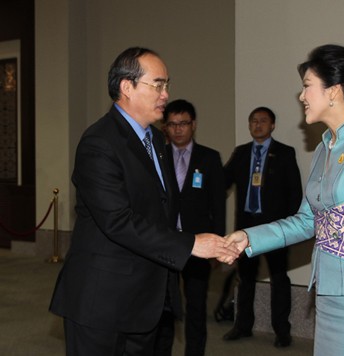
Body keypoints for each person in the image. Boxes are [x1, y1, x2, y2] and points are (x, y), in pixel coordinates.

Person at [224, 44, 344, 355]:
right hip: (327, 296)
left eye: (307, 86)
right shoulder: (325, 148)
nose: (301, 97)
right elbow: (307, 220)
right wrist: (247, 238)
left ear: (333, 91)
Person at [48, 47, 237, 356]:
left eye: (167, 85)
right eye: (158, 84)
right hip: (103, 304)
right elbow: (118, 221)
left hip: (147, 300)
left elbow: (161, 210)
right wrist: (190, 244)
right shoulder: (100, 142)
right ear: (127, 87)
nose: (166, 94)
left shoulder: (156, 142)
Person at [222, 106, 303, 348]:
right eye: (254, 121)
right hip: (246, 227)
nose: (258, 125)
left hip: (275, 228)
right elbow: (222, 182)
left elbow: (295, 191)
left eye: (263, 121)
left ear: (273, 125)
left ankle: (282, 330)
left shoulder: (284, 153)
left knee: (279, 278)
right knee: (245, 278)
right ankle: (242, 325)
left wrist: (288, 226)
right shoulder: (242, 152)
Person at [155, 99, 226, 356]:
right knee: (163, 309)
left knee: (196, 307)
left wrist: (218, 245)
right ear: (165, 127)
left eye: (183, 123)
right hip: (167, 243)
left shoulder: (209, 158)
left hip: (200, 245)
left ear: (193, 125)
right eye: (172, 124)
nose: (178, 129)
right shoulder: (157, 157)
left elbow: (218, 204)